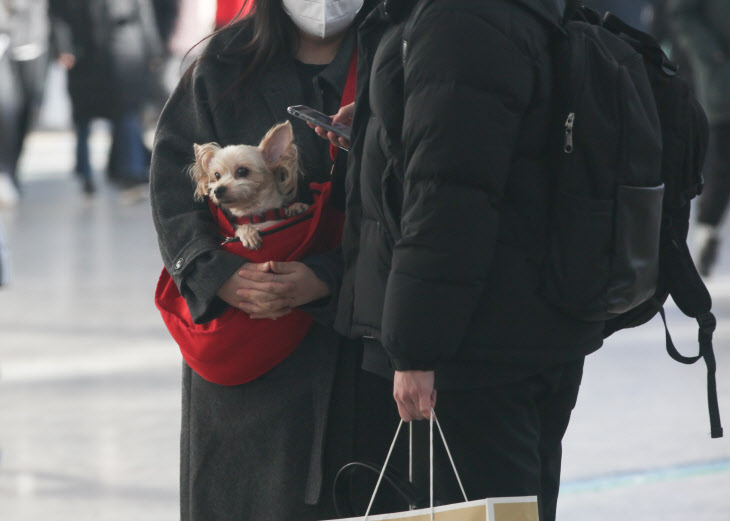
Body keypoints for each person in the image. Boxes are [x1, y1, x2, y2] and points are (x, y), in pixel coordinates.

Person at [309, 0, 602, 520]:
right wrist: (387, 112)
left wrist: (416, 347)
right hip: (524, 318)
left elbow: (448, 199)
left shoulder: (459, 20)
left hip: (473, 347)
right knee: (517, 507)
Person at [149, 1, 377, 520]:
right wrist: (219, 275)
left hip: (357, 345)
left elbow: (419, 201)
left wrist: (325, 278)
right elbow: (172, 184)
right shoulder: (225, 61)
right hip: (249, 353)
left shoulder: (399, 52)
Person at [49, 0, 163, 195]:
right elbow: (58, 14)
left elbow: (143, 11)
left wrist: (152, 50)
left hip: (124, 49)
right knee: (84, 117)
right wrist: (63, 47)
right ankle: (85, 171)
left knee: (126, 112)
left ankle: (130, 171)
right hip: (84, 53)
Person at [668, 0, 730, 276]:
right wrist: (711, 52)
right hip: (723, 76)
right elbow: (681, 13)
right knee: (723, 164)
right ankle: (707, 231)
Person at [0, 0, 53, 206]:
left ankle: (12, 171)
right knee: (7, 111)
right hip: (5, 45)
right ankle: (5, 172)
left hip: (35, 47)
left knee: (28, 112)